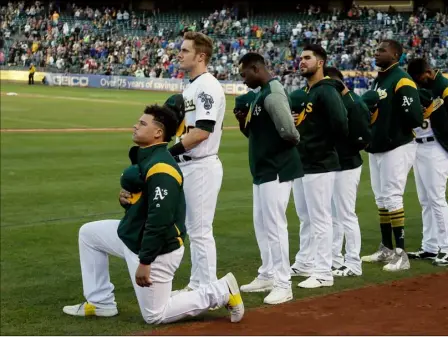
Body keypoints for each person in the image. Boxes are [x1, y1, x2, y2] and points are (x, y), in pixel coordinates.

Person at [63, 101, 244, 324]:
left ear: (158, 132)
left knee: (155, 315)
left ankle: (221, 290)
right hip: (133, 236)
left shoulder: (161, 167)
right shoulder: (146, 158)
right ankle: (100, 303)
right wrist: (126, 201)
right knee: (89, 234)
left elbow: (160, 220)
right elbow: (143, 204)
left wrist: (145, 261)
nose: (135, 126)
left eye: (141, 123)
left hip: (158, 249)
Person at [237, 52, 303, 305]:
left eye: (244, 74)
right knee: (262, 224)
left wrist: (291, 140)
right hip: (264, 168)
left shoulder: (272, 94)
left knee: (274, 226)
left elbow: (288, 131)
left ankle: (283, 284)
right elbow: (259, 134)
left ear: (256, 69)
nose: (243, 80)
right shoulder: (261, 94)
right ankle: (267, 274)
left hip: (276, 167)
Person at [167, 32, 225, 295]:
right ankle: (197, 284)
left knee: (200, 230)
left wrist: (169, 153)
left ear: (201, 56)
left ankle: (209, 289)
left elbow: (203, 131)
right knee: (193, 228)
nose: (179, 54)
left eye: (185, 50)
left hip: (201, 165)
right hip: (188, 164)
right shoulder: (191, 85)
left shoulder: (207, 86)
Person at [289, 45, 348, 288]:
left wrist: (322, 147)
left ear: (320, 62)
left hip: (320, 163)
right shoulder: (311, 92)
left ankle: (324, 272)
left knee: (321, 218)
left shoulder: (326, 91)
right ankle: (305, 262)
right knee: (306, 217)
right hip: (304, 162)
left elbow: (341, 125)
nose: (301, 62)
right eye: (300, 58)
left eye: (307, 58)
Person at [361, 40, 423, 271]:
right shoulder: (381, 78)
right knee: (381, 199)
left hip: (396, 144)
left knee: (393, 197)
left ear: (395, 54)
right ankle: (387, 248)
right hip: (378, 145)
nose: (376, 53)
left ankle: (402, 254)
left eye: (382, 50)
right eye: (375, 49)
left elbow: (415, 116)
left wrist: (393, 130)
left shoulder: (402, 79)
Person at [406, 58, 448, 266]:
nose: (418, 81)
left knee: (436, 198)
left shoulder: (446, 88)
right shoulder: (427, 86)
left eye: (419, 77)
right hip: (420, 144)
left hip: (437, 146)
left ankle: (447, 249)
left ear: (428, 72)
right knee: (425, 199)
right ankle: (430, 246)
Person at [323, 66, 372, 276]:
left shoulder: (354, 104)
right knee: (334, 215)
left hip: (348, 164)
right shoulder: (339, 101)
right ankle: (335, 258)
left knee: (346, 214)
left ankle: (353, 262)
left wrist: (342, 147)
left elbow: (362, 138)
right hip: (335, 163)